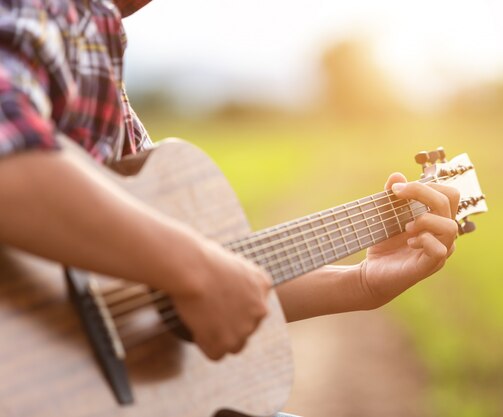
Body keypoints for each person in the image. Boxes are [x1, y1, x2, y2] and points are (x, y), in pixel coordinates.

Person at [0, 0, 458, 370]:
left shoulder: (100, 66)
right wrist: (194, 265)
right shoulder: (59, 11)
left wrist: (359, 283)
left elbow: (189, 283)